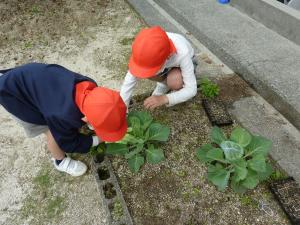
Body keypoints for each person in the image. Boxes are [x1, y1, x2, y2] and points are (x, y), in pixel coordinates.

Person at [0, 63, 127, 176]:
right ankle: (60, 161)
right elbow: (69, 143)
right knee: (51, 132)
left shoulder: (90, 86)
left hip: (33, 77)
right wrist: (98, 139)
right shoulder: (61, 115)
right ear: (85, 118)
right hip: (16, 96)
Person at [120, 26, 197, 110]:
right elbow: (128, 82)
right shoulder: (143, 50)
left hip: (183, 65)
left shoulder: (182, 53)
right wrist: (123, 109)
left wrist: (165, 98)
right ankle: (163, 85)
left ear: (169, 56)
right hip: (164, 65)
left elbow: (191, 89)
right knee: (144, 72)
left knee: (175, 81)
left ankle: (173, 88)